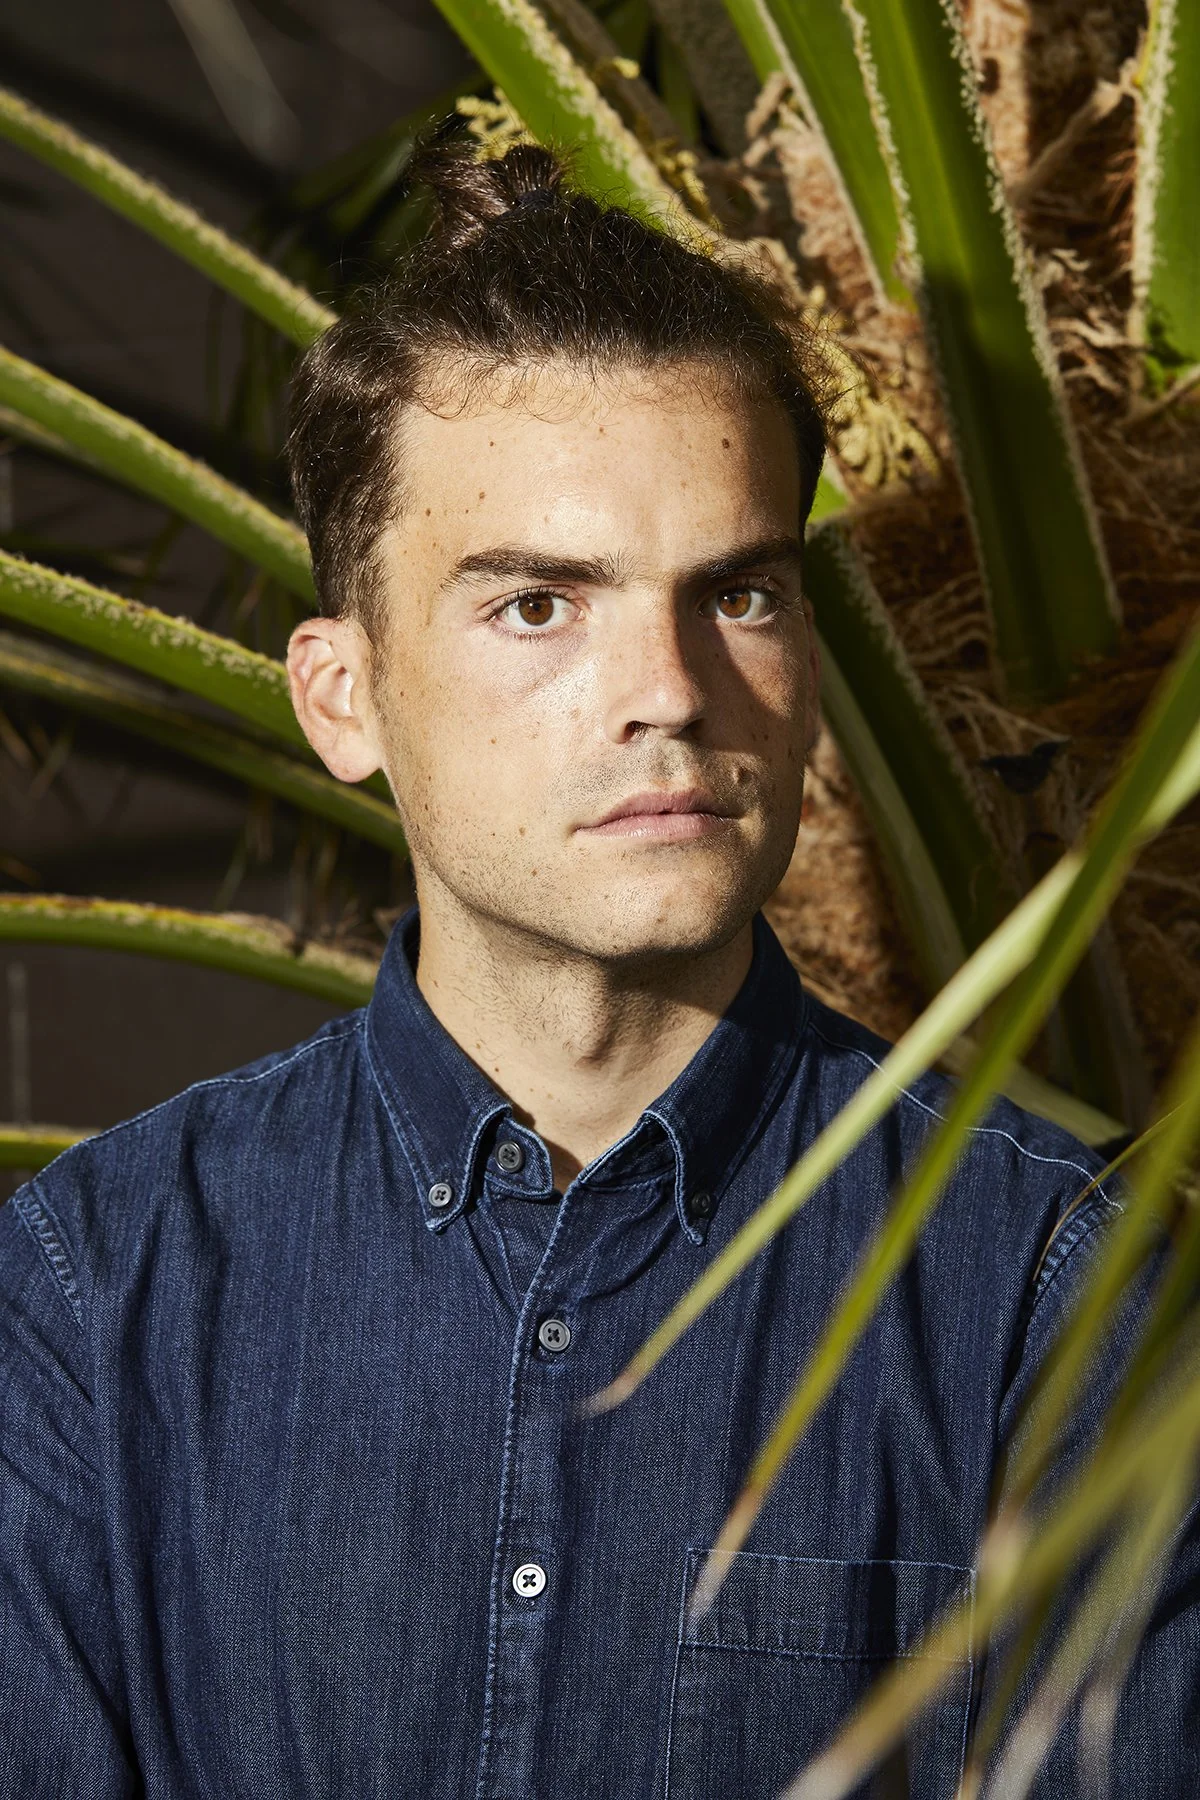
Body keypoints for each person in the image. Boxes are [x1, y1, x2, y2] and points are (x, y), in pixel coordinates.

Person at [0, 142, 1194, 1800]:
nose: (670, 691)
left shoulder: (1054, 1291)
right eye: (539, 607)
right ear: (342, 697)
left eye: (739, 595)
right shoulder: (94, 1289)